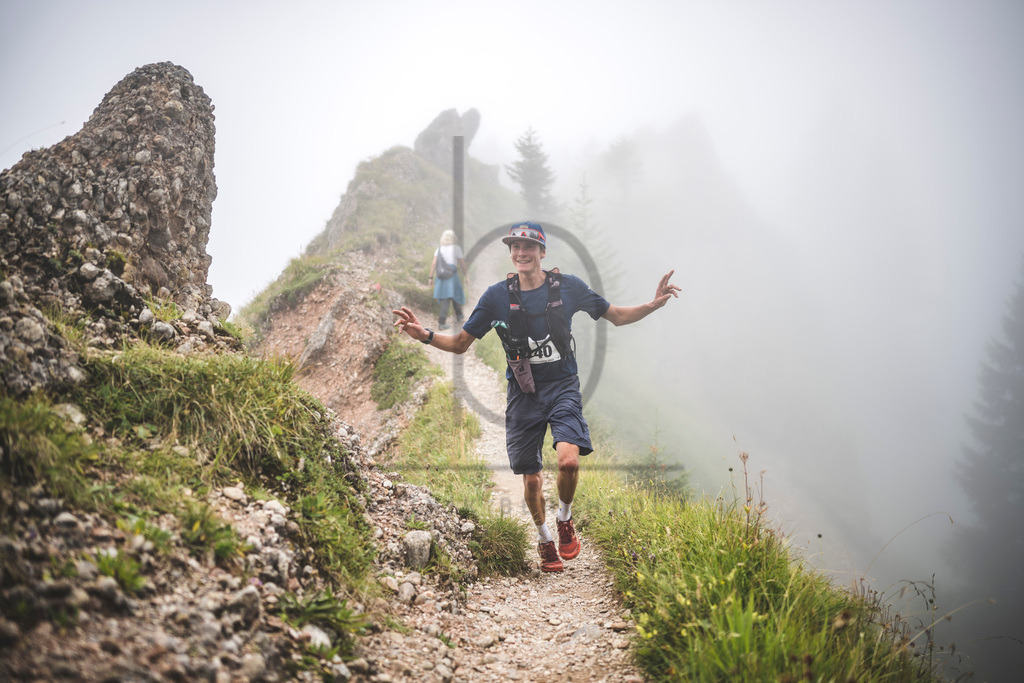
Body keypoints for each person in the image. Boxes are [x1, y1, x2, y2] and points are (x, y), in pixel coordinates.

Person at [393, 221, 680, 572]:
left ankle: (564, 519)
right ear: (510, 253)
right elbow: (460, 344)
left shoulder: (568, 287)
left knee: (569, 462)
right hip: (523, 393)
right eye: (514, 247)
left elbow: (616, 316)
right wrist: (424, 334)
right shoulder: (496, 297)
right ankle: (545, 540)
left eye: (528, 246)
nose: (521, 252)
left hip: (562, 387)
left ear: (542, 252)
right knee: (531, 478)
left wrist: (653, 305)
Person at [428, 229, 467, 330]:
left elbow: (433, 264)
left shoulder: (439, 249)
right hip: (451, 274)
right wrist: (466, 276)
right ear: (453, 238)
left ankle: (459, 315)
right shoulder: (456, 249)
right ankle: (442, 323)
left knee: (451, 295)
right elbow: (462, 264)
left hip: (441, 275)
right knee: (450, 296)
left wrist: (430, 277)